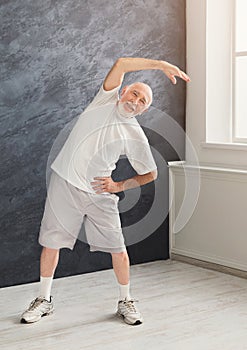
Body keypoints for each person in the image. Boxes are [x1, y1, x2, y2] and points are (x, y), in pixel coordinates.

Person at [20, 57, 190, 325]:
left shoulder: (134, 134)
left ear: (144, 111)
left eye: (143, 101)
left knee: (119, 250)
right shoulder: (103, 101)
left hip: (100, 194)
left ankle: (126, 301)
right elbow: (122, 63)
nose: (136, 100)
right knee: (51, 244)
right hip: (65, 182)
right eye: (134, 93)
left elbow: (152, 173)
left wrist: (119, 186)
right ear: (123, 92)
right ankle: (44, 300)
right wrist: (161, 65)